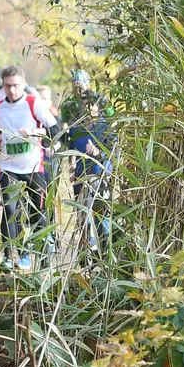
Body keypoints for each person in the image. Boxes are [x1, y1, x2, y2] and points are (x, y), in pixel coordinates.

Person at [0, 65, 56, 271]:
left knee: (38, 214)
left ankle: (43, 260)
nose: (12, 90)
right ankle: (9, 256)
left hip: (34, 166)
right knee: (9, 210)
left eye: (16, 85)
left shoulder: (35, 103)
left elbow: (54, 128)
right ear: (3, 86)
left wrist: (34, 132)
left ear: (23, 84)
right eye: (8, 86)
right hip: (8, 166)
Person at [56, 68, 114, 252]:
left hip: (100, 173)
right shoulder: (74, 122)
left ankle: (104, 245)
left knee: (99, 211)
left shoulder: (105, 127)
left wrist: (98, 152)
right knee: (82, 210)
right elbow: (71, 143)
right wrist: (71, 165)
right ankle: (85, 245)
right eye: (83, 105)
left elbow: (114, 148)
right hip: (81, 173)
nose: (86, 108)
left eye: (89, 105)